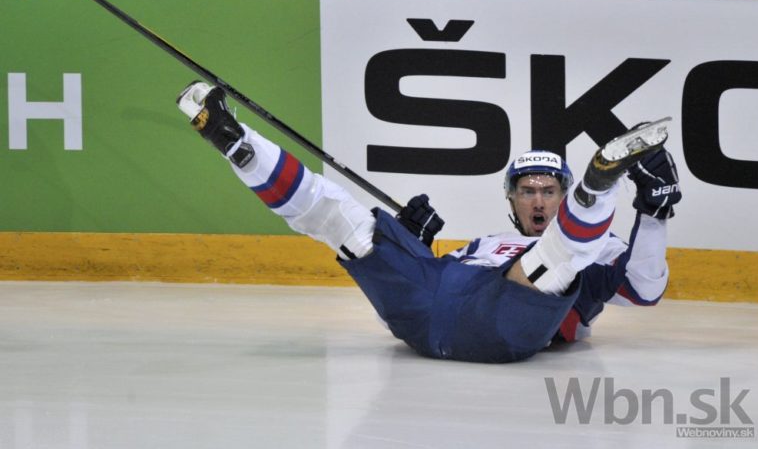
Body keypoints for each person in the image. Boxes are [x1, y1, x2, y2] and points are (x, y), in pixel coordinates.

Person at [175, 81, 682, 363]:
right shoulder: (483, 244)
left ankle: (600, 184)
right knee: (348, 222)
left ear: (560, 196)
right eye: (527, 191)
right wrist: (413, 248)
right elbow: (421, 299)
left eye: (550, 192)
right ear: (511, 199)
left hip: (507, 325)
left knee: (555, 262)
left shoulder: (598, 250)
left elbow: (643, 290)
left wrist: (653, 216)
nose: (538, 201)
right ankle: (237, 143)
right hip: (424, 316)